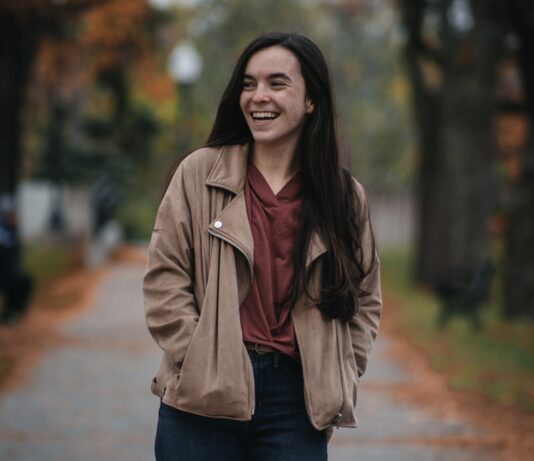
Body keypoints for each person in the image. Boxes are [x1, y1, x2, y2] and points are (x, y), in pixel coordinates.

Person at [143, 32, 382, 461]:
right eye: (249, 84)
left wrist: (339, 372)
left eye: (277, 83)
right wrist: (202, 359)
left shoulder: (343, 197)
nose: (258, 96)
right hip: (202, 398)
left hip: (296, 404)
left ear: (311, 100)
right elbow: (165, 279)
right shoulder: (199, 175)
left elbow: (364, 300)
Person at [0, 196, 33, 325]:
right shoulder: (3, 232)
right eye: (10, 214)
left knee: (25, 280)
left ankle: (16, 312)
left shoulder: (12, 230)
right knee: (12, 282)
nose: (12, 216)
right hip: (3, 272)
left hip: (10, 271)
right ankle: (8, 314)